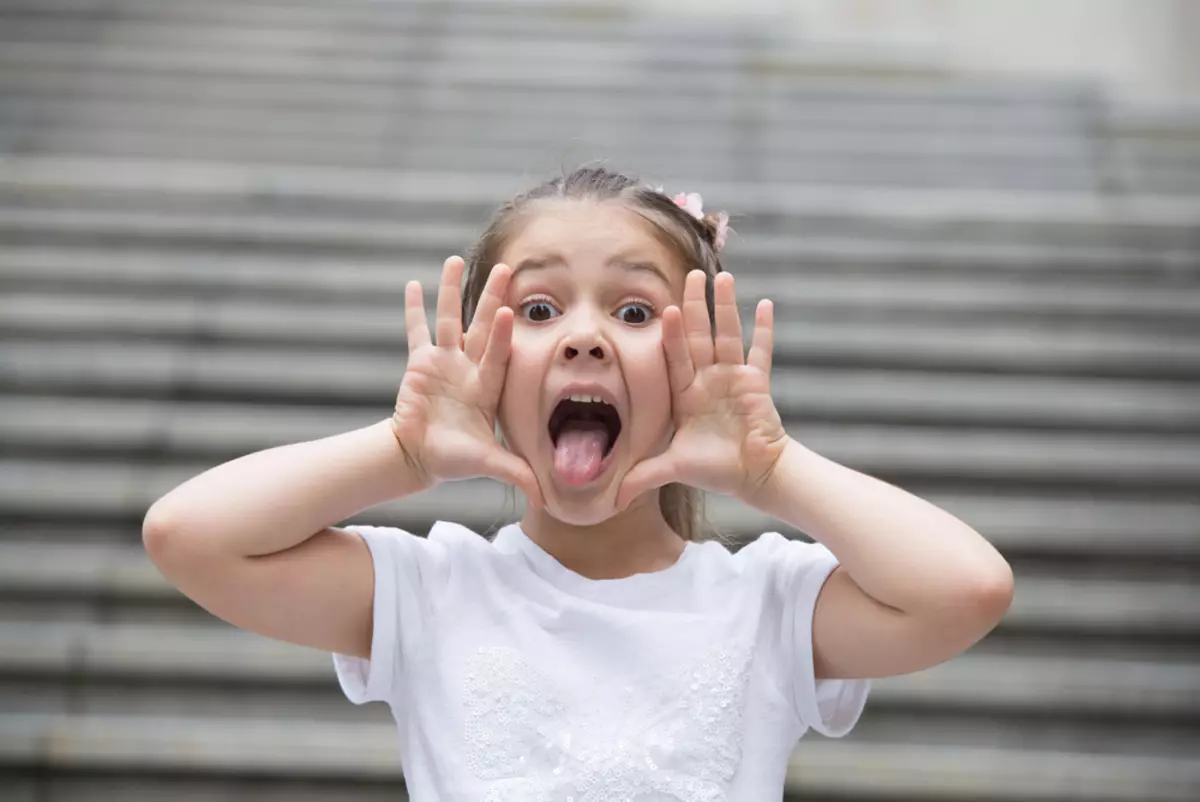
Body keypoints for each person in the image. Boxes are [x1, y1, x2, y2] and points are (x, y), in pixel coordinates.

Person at [143, 166, 1014, 800]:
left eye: (634, 312)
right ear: (484, 361)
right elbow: (189, 537)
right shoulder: (431, 589)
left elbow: (967, 589)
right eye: (538, 309)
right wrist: (400, 456)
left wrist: (772, 471)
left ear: (695, 360)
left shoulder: (766, 602)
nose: (583, 337)